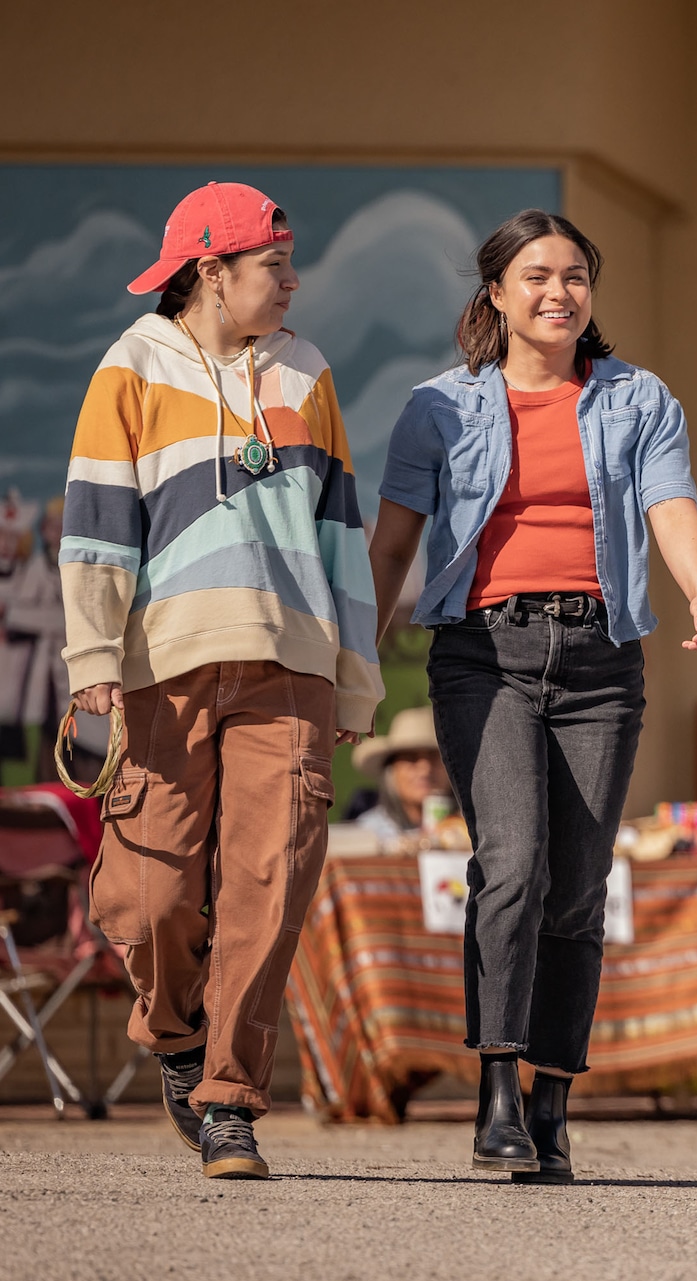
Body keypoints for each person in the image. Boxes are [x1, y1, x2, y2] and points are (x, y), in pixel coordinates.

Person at [368, 209, 697, 1185]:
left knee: (577, 884)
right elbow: (395, 538)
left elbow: (670, 501)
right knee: (513, 864)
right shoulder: (437, 407)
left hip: (601, 655)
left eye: (574, 276)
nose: (558, 292)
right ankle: (495, 1095)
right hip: (484, 652)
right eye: (536, 275)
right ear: (496, 293)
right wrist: (366, 639)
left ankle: (552, 1100)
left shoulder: (636, 399)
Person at [60, 181, 382, 1178]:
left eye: (289, 264)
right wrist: (92, 663)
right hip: (165, 665)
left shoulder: (309, 372)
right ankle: (174, 1033)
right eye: (272, 266)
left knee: (270, 880)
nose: (291, 283)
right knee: (154, 895)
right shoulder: (132, 366)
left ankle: (233, 1097)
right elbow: (98, 523)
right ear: (210, 269)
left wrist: (356, 680)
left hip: (291, 665)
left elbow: (342, 534)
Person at [348, 705, 451, 843]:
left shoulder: (474, 829)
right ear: (391, 771)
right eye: (411, 758)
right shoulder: (367, 833)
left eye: (434, 757)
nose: (425, 769)